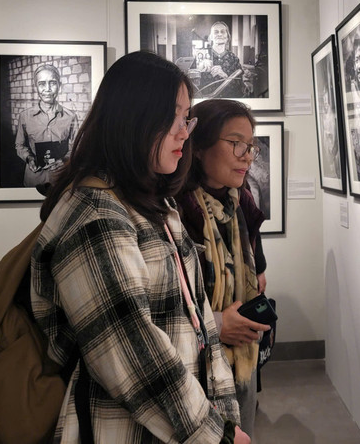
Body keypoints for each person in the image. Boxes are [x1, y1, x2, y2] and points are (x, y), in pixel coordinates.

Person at [32, 52, 249, 444]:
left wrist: (225, 417)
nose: (184, 132)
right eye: (172, 117)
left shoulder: (154, 203)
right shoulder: (96, 215)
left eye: (187, 117)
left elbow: (200, 324)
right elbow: (133, 354)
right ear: (133, 119)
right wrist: (216, 436)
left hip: (181, 425)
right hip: (125, 429)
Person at [175, 99, 271, 439]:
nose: (247, 156)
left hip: (241, 355)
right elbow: (166, 302)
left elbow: (257, 268)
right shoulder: (177, 208)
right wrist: (216, 323)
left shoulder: (241, 200)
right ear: (199, 148)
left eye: (251, 146)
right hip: (194, 364)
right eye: (235, 143)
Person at [14, 64, 79, 188]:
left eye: (52, 83)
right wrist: (29, 158)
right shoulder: (25, 116)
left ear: (59, 86)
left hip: (61, 180)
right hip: (34, 180)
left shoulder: (71, 116)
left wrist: (65, 160)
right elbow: (19, 145)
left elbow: (77, 146)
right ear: (36, 86)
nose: (47, 89)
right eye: (42, 84)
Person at [196, 21, 245, 97]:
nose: (219, 34)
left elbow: (239, 86)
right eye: (216, 32)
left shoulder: (233, 58)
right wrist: (198, 70)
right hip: (207, 101)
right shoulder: (201, 55)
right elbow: (193, 85)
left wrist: (225, 76)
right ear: (211, 37)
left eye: (222, 32)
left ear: (227, 37)